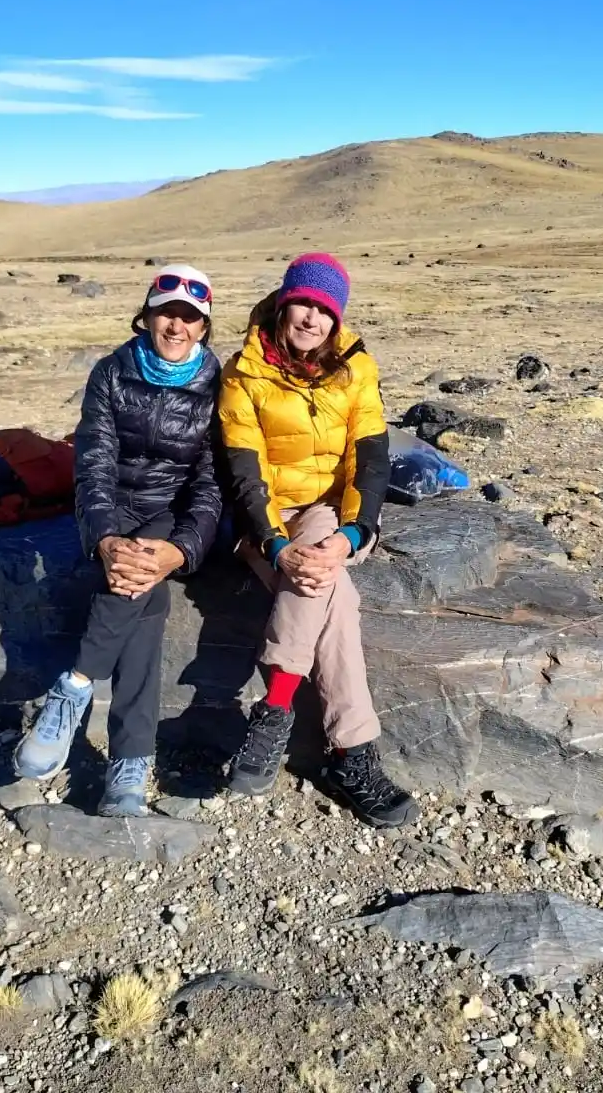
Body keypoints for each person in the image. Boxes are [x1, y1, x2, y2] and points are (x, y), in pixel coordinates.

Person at [219, 252, 419, 829]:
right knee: (337, 596)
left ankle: (273, 710)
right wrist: (273, 545)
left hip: (329, 512)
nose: (312, 318)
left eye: (325, 310)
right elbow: (244, 471)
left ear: (337, 319)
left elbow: (370, 460)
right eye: (302, 304)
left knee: (321, 569)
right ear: (283, 305)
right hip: (265, 517)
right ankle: (352, 756)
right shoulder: (242, 374)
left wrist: (354, 534)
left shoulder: (357, 370)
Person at [14, 265, 221, 816]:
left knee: (138, 578)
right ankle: (129, 765)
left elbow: (210, 484)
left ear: (204, 327)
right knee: (144, 599)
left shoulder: (217, 387)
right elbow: (94, 466)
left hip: (170, 513)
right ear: (147, 317)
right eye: (166, 313)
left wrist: (181, 549)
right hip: (115, 508)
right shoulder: (111, 372)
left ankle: (74, 687)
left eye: (190, 317)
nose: (176, 326)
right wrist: (105, 538)